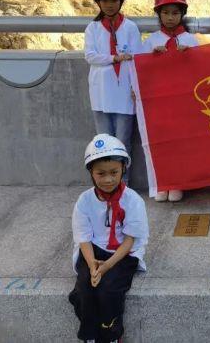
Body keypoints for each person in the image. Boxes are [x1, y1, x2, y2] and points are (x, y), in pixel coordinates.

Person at [69, 134, 149, 343]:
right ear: (91, 173)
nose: (107, 179)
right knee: (84, 291)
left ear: (123, 169)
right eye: (100, 173)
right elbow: (84, 239)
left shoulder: (133, 201)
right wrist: (92, 266)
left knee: (108, 290)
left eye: (114, 172)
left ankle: (111, 336)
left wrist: (107, 266)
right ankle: (89, 336)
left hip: (123, 253)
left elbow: (130, 241)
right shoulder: (84, 201)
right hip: (93, 251)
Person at [140, 0, 199, 202]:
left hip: (182, 102)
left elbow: (201, 71)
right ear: (159, 14)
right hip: (159, 102)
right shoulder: (151, 41)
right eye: (165, 13)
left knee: (180, 143)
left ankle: (178, 183)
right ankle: (163, 183)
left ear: (182, 14)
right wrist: (152, 58)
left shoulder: (190, 41)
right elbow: (140, 71)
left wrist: (190, 56)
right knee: (161, 143)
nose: (170, 17)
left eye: (175, 13)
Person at [84, 0, 141, 180]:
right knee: (103, 142)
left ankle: (123, 183)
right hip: (101, 93)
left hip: (124, 93)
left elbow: (137, 59)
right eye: (105, 0)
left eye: (114, 0)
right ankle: (106, 183)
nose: (109, 5)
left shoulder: (130, 27)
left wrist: (136, 87)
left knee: (123, 141)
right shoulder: (92, 28)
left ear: (121, 1)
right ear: (98, 2)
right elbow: (90, 56)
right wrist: (114, 58)